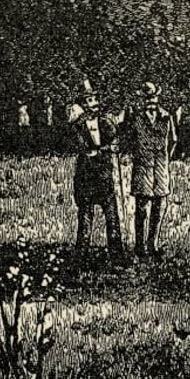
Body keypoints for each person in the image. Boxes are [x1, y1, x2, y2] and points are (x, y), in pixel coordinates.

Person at [70, 79, 126, 259]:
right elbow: (85, 150)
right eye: (89, 101)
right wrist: (105, 149)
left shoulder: (105, 122)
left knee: (111, 214)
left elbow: (115, 138)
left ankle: (117, 253)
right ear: (82, 104)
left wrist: (115, 145)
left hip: (104, 175)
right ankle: (82, 254)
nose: (94, 104)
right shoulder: (77, 126)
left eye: (95, 99)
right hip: (86, 176)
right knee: (85, 215)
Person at [125, 82, 178, 258]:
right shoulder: (136, 117)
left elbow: (173, 140)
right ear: (142, 99)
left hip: (161, 167)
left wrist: (165, 158)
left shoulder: (166, 117)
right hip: (142, 166)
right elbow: (129, 140)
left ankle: (152, 244)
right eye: (147, 98)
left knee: (159, 206)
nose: (151, 101)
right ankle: (140, 246)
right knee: (142, 208)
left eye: (153, 97)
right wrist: (138, 154)